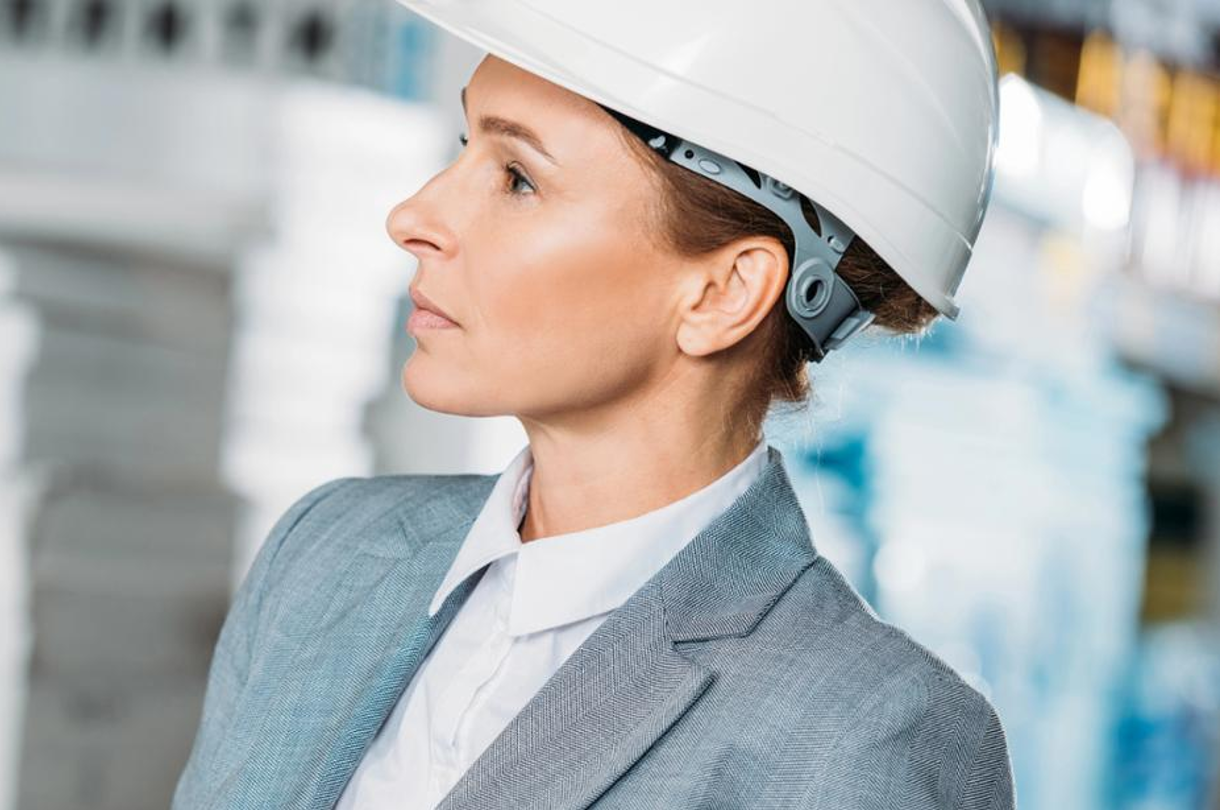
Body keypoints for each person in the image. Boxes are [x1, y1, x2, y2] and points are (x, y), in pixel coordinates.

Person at [173, 1, 1011, 807]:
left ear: (722, 293)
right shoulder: (326, 555)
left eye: (517, 178)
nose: (412, 216)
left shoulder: (865, 737)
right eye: (465, 144)